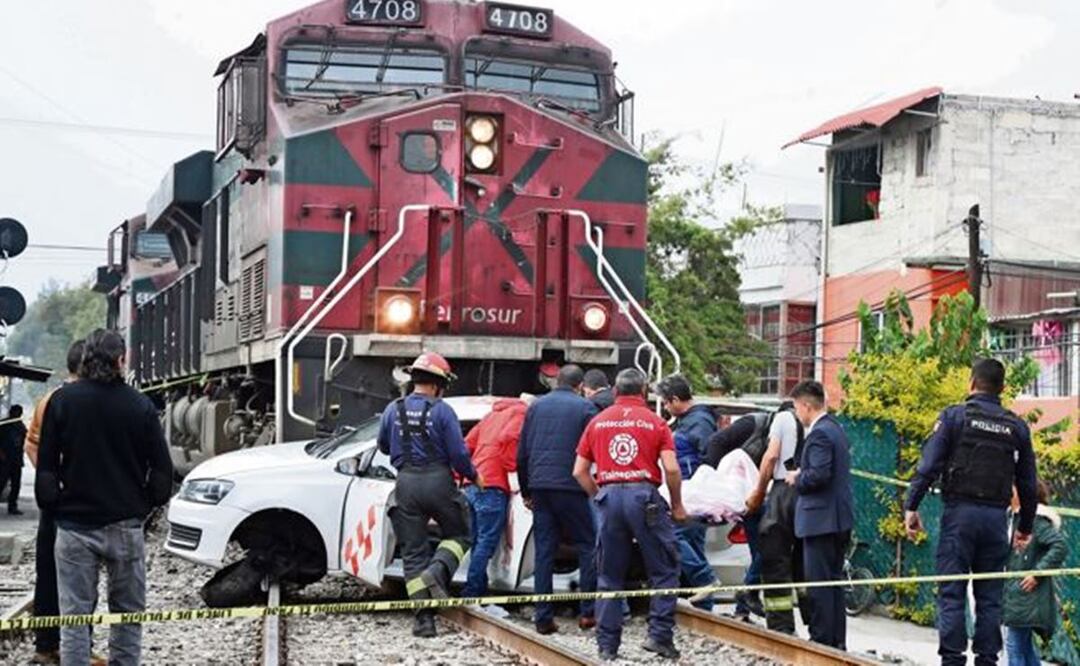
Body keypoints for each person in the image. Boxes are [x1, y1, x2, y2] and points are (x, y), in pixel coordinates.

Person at [35, 329, 173, 666]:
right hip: (125, 524)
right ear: (121, 360)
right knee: (127, 616)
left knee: (74, 619)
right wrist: (144, 504)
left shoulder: (62, 402)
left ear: (84, 361)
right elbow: (162, 471)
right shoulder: (140, 405)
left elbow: (47, 467)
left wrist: (55, 506)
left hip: (74, 527)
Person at [904, 358, 1038, 666]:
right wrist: (1025, 527)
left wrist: (912, 506)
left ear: (971, 383)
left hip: (959, 516)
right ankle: (986, 661)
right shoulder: (1016, 427)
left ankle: (952, 660)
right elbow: (1029, 484)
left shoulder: (955, 417)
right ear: (1002, 389)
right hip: (995, 521)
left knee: (952, 591)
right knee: (990, 597)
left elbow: (928, 466)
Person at [573, 368, 687, 661]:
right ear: (644, 391)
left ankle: (607, 647)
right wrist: (676, 505)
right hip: (644, 498)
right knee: (663, 569)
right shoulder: (656, 423)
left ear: (615, 391)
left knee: (609, 576)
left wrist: (599, 496)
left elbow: (579, 471)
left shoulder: (597, 422)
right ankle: (659, 637)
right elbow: (672, 469)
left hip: (610, 497)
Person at [377, 352, 478, 638]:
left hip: (406, 483)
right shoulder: (443, 411)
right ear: (437, 385)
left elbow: (384, 446)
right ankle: (438, 570)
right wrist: (474, 476)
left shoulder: (392, 409)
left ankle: (424, 621)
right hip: (438, 481)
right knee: (460, 535)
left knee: (413, 553)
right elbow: (459, 454)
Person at [517, 364, 599, 633]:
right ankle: (588, 613)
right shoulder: (586, 409)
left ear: (556, 382)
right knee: (587, 546)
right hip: (573, 488)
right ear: (580, 386)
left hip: (541, 487)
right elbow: (594, 451)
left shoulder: (536, 408)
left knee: (544, 552)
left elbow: (523, 454)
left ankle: (543, 617)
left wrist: (526, 491)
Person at [26, 340, 84, 665]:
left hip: (54, 501)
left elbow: (32, 446)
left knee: (47, 572)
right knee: (81, 581)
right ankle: (74, 645)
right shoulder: (87, 401)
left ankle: (45, 645)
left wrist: (52, 481)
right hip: (78, 504)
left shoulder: (48, 400)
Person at [786, 380, 853, 650]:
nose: (795, 414)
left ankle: (822, 640)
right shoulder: (836, 429)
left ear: (805, 405)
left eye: (795, 408)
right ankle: (836, 642)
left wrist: (797, 477)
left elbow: (819, 475)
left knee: (820, 584)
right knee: (833, 583)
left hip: (820, 521)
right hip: (837, 519)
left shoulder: (819, 434)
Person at [656, 374, 719, 611]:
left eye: (665, 402)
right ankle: (706, 604)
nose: (664, 407)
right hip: (688, 491)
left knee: (674, 536)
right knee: (691, 541)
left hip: (692, 492)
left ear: (674, 399)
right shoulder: (688, 421)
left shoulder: (699, 422)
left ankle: (705, 580)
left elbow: (707, 457)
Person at [744, 400, 808, 633]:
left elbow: (771, 457)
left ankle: (781, 627)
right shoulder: (820, 423)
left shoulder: (782, 419)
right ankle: (816, 623)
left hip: (783, 492)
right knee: (805, 561)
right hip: (810, 494)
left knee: (774, 559)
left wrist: (758, 493)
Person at [461, 395, 530, 599]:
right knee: (486, 542)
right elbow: (509, 438)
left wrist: (462, 475)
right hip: (492, 484)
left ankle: (478, 588)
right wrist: (512, 467)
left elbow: (465, 445)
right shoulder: (521, 412)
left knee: (476, 540)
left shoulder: (491, 415)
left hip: (473, 483)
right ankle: (472, 590)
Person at [703, 412, 771, 619]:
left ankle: (744, 603)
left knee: (762, 552)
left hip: (762, 497)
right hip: (746, 498)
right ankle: (746, 597)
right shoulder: (754, 424)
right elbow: (716, 441)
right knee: (762, 550)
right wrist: (716, 482)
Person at [1003, 479, 1067, 666]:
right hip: (1018, 594)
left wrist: (1037, 573)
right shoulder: (1015, 518)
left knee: (1014, 645)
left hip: (1025, 596)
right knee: (1023, 646)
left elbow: (1060, 546)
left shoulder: (1034, 520)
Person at [0, 404, 27, 514]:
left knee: (16, 484)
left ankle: (12, 506)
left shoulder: (20, 425)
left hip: (16, 459)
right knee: (1, 482)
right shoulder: (4, 424)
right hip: (4, 459)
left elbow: (24, 440)